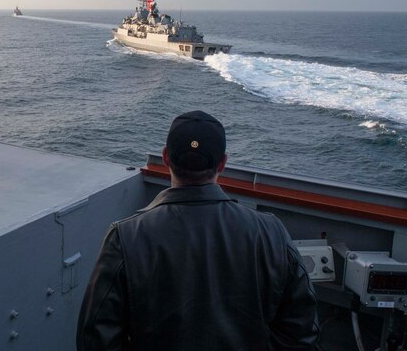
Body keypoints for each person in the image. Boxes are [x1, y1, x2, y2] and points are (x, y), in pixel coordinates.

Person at [77, 110, 319, 351]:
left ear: (166, 158)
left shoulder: (124, 238)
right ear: (222, 163)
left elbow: (96, 340)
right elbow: (301, 334)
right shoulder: (272, 233)